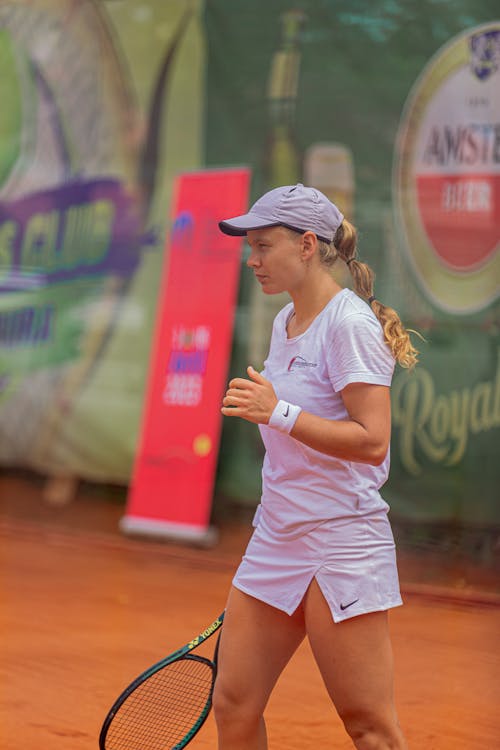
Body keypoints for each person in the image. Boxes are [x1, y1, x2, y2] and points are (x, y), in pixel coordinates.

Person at [214, 183, 416, 750]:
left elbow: (373, 441)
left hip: (341, 542)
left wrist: (276, 411)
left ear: (306, 245)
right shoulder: (284, 323)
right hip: (276, 538)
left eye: (262, 245)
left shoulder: (349, 325)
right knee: (233, 704)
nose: (251, 260)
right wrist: (279, 414)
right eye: (248, 247)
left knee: (368, 725)